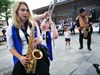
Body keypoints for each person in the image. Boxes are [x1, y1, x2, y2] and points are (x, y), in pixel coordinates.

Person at [6, 1, 50, 75]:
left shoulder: (33, 24)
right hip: (22, 57)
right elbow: (11, 47)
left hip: (36, 52)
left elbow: (40, 37)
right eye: (22, 10)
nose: (25, 12)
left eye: (27, 10)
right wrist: (20, 58)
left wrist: (39, 40)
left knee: (44, 72)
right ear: (16, 12)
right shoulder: (10, 28)